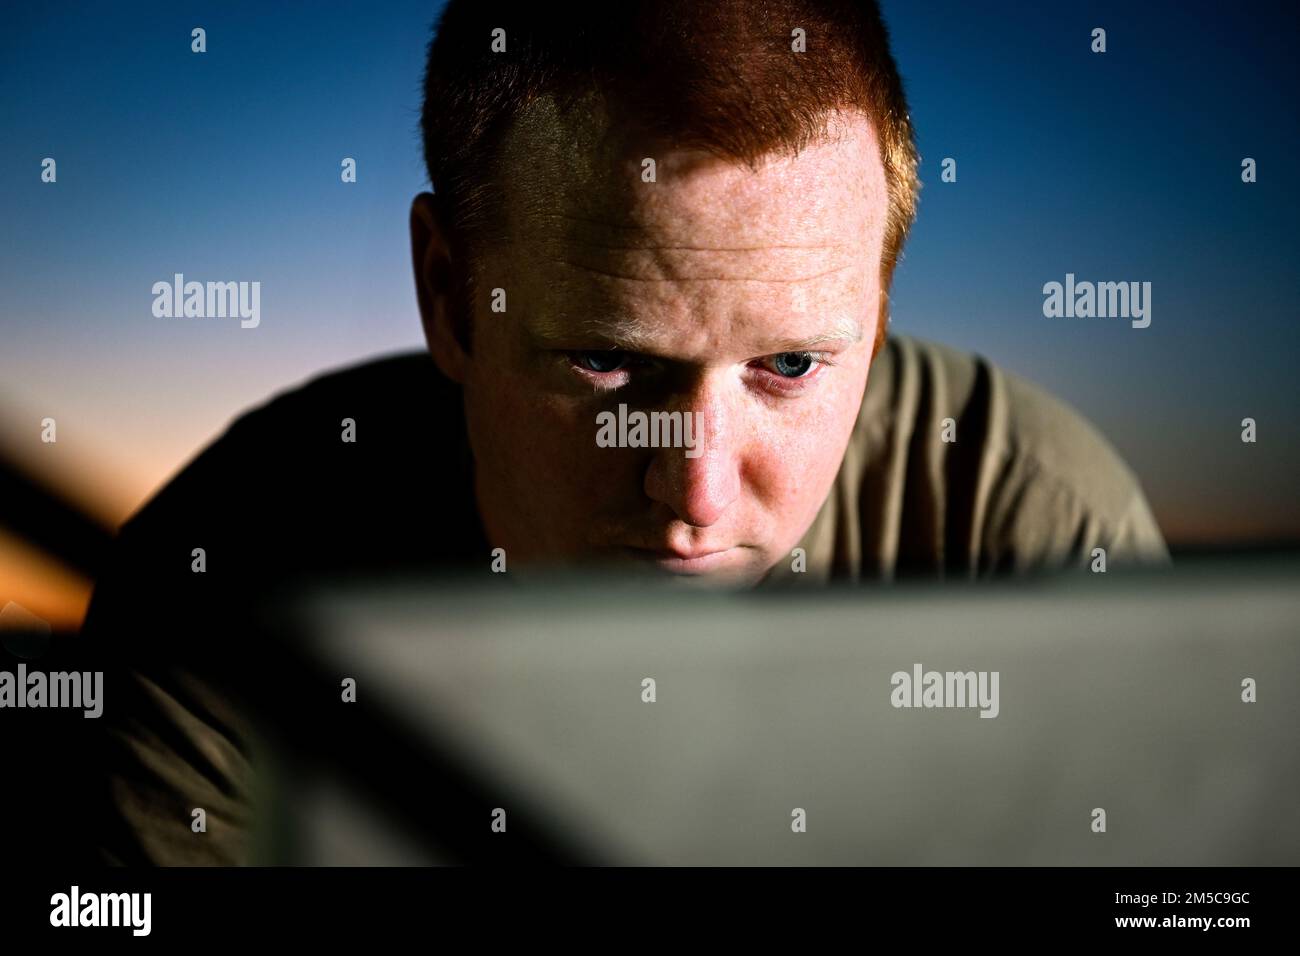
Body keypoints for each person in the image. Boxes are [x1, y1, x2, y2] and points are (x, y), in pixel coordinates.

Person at [80, 0, 1167, 865]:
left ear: (875, 325)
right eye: (606, 362)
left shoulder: (1030, 522)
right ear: (451, 296)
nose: (692, 495)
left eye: (788, 365)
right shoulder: (218, 598)